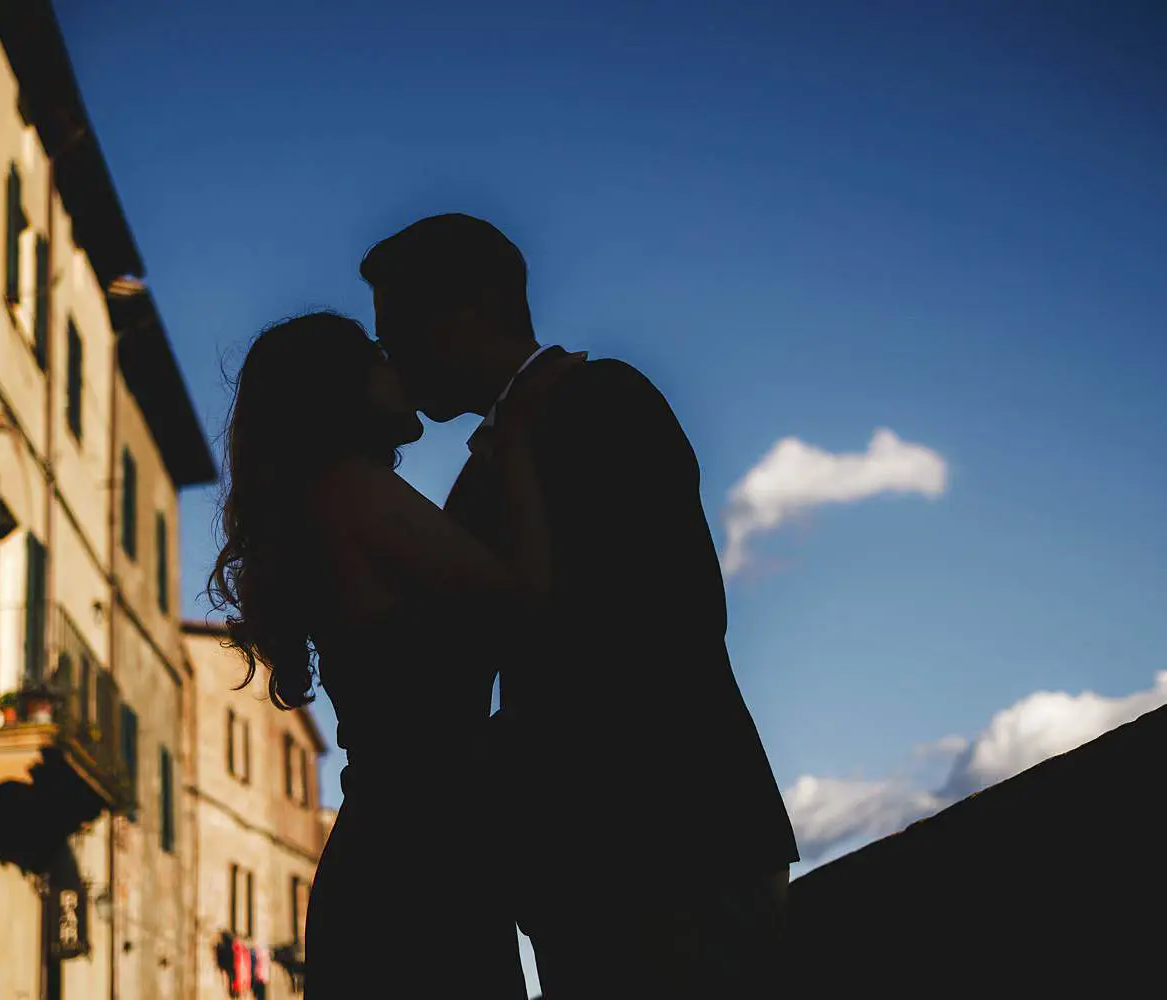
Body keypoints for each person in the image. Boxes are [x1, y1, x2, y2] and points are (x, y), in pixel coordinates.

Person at [359, 213, 801, 996]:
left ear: (470, 310)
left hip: (679, 835)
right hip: (581, 866)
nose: (390, 357)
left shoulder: (602, 399)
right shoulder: (485, 473)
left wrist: (498, 753)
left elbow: (671, 616)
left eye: (398, 332)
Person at [209, 310, 582, 999]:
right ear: (338, 387)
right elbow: (523, 599)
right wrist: (523, 440)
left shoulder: (332, 501)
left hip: (410, 850)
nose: (398, 366)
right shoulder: (352, 489)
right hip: (421, 863)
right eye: (377, 355)